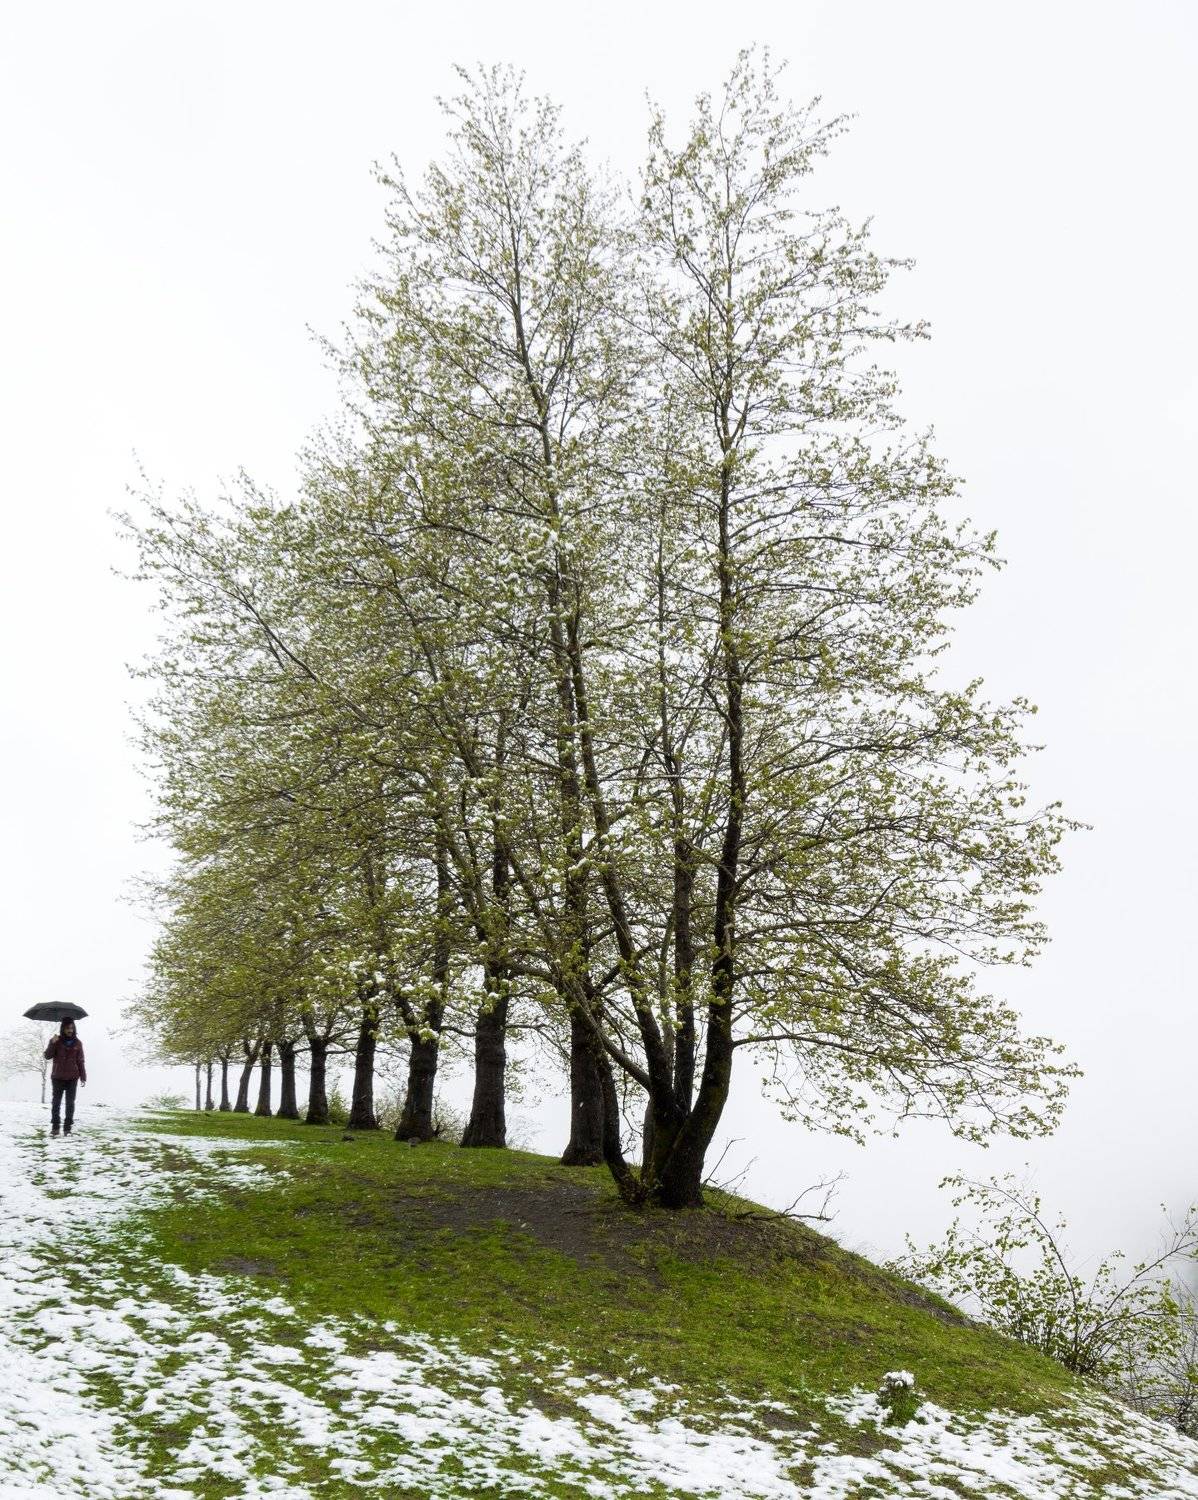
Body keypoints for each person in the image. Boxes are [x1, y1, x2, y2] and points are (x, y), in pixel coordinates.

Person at [44, 1019, 87, 1137]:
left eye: (72, 1028)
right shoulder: (56, 1041)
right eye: (68, 1028)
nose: (70, 1030)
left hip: (72, 1078)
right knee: (56, 1103)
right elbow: (47, 1056)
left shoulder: (78, 1043)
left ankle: (67, 1129)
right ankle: (55, 1128)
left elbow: (80, 1061)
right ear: (63, 1029)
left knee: (70, 1103)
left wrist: (83, 1076)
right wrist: (52, 1043)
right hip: (57, 1077)